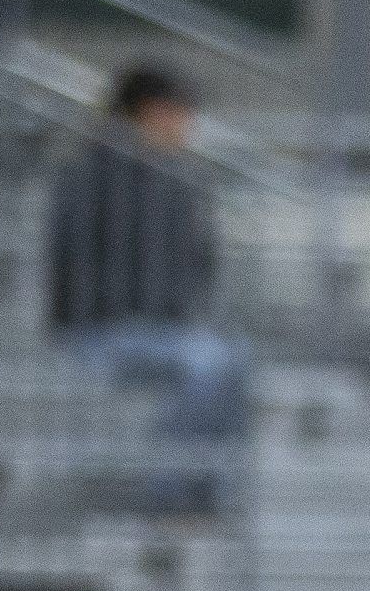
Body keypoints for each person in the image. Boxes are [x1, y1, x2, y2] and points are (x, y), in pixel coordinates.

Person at [47, 64, 247, 443]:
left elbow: (199, 262)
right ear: (152, 112)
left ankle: (208, 489)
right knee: (205, 363)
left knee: (234, 360)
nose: (189, 127)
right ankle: (170, 489)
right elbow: (77, 267)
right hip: (104, 328)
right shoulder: (93, 173)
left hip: (159, 327)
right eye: (182, 113)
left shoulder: (176, 177)